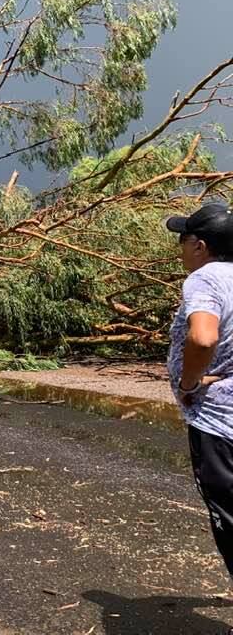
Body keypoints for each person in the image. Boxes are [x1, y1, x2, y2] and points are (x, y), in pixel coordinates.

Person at [167, 201, 233, 587]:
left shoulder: (205, 279)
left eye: (183, 238)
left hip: (220, 423)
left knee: (228, 517)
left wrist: (189, 383)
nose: (181, 248)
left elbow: (203, 337)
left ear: (200, 245)